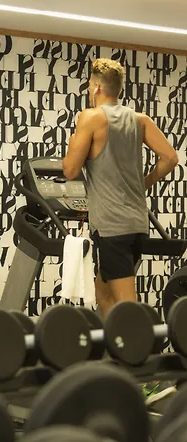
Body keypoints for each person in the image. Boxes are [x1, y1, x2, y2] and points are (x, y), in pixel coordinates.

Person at [62, 58, 179, 319]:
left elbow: (70, 171)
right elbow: (170, 158)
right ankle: (114, 343)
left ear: (96, 87)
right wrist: (143, 184)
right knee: (103, 293)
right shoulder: (140, 120)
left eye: (89, 85)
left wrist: (72, 144)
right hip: (136, 223)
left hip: (112, 227)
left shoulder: (90, 117)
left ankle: (137, 344)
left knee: (127, 306)